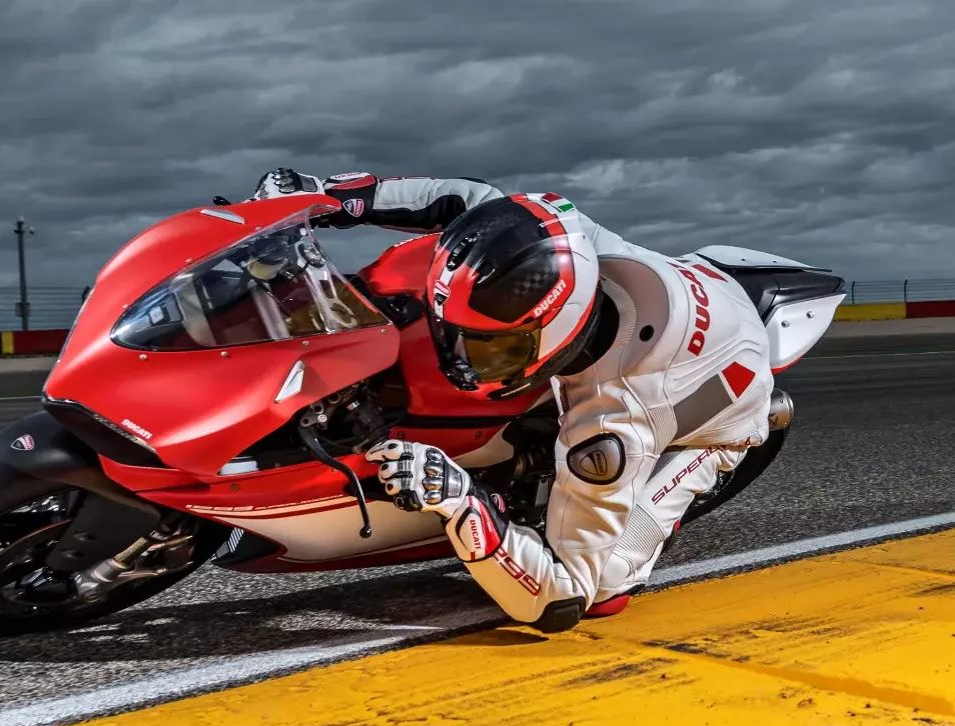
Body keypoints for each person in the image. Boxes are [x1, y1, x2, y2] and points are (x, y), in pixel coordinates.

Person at [251, 168, 776, 633]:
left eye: (492, 349)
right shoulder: (559, 237)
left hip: (722, 413)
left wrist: (460, 500)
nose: (463, 362)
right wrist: (328, 198)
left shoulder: (613, 423)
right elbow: (469, 198)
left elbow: (558, 598)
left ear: (555, 328)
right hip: (696, 290)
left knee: (604, 589)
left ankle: (655, 515)